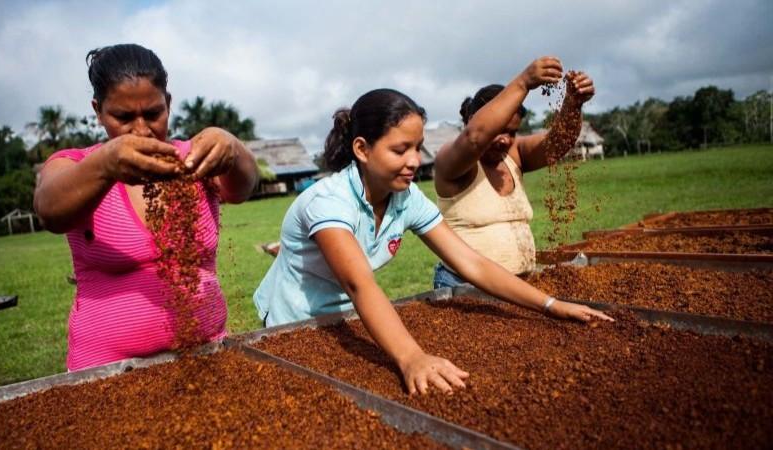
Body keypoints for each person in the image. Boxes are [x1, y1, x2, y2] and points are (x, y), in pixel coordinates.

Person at [254, 88, 611, 395]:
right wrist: (412, 358)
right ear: (362, 149)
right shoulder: (328, 202)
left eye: (418, 148)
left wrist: (550, 305)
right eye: (400, 150)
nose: (414, 161)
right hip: (294, 323)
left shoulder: (406, 198)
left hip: (350, 318)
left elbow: (471, 263)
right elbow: (359, 283)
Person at [33, 44, 258, 371]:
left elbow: (243, 187)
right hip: (107, 371)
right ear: (98, 111)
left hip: (206, 356)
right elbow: (49, 210)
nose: (140, 130)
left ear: (168, 103)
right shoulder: (78, 165)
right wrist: (106, 164)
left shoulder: (194, 159)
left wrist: (233, 147)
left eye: (153, 114)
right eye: (123, 117)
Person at [432, 56, 595, 288]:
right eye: (499, 130)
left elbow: (558, 142)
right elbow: (475, 138)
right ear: (472, 121)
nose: (505, 140)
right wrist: (524, 81)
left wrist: (574, 103)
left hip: (518, 285)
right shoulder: (451, 159)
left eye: (512, 132)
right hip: (465, 286)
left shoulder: (514, 154)